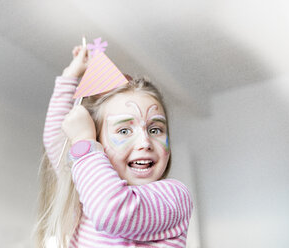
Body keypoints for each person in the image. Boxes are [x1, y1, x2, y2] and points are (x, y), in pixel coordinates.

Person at [35, 45, 193, 248]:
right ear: (98, 144)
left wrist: (84, 139)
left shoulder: (174, 197)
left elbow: (110, 212)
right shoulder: (88, 190)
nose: (145, 143)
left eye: (155, 130)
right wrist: (69, 77)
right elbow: (59, 138)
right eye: (125, 131)